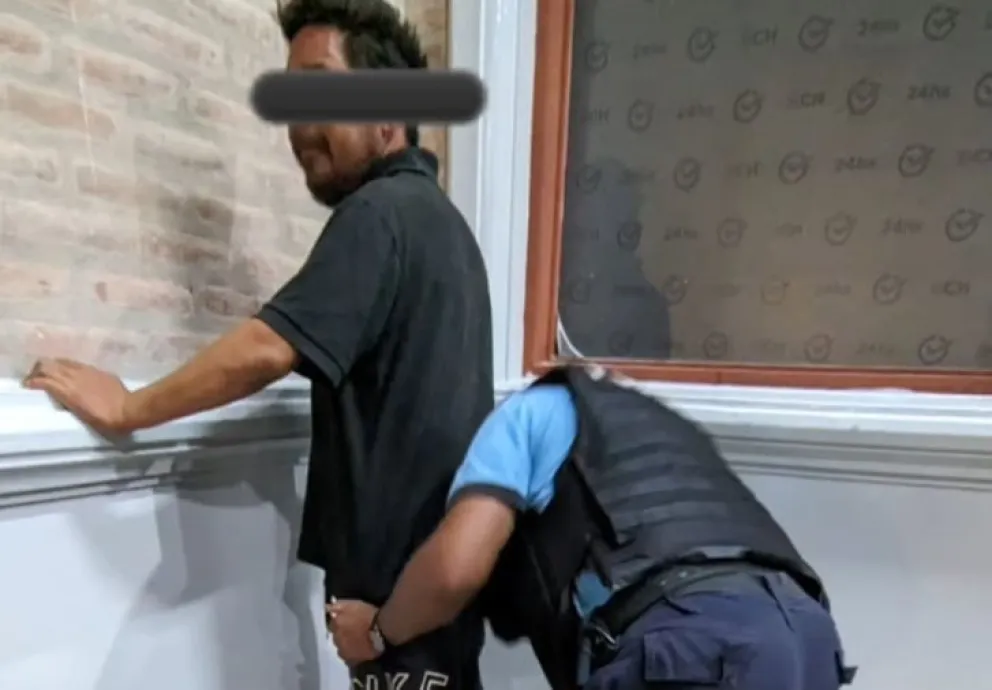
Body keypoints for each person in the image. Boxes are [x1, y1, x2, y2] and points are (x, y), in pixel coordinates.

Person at [22, 1, 493, 688]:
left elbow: (268, 347)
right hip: (431, 608)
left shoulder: (379, 215)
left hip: (399, 617)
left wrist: (128, 408)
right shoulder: (445, 228)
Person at [328, 365, 857, 690]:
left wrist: (376, 632)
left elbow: (453, 570)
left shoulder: (526, 414)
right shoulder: (662, 428)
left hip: (689, 646)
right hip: (806, 638)